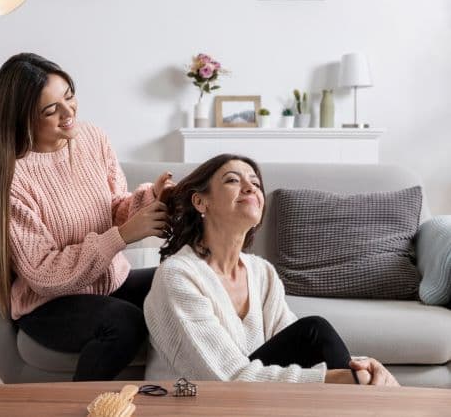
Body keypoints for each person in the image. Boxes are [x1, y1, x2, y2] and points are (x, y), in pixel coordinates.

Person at [0, 53, 172, 381]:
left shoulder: (92, 139)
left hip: (109, 282)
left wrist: (151, 197)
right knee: (123, 323)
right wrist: (123, 236)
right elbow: (43, 274)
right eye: (51, 109)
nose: (69, 113)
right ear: (22, 116)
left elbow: (114, 207)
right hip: (48, 304)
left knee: (183, 279)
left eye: (69, 96)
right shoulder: (14, 179)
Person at [144, 154, 399, 386]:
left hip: (251, 399)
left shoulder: (261, 272)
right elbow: (225, 378)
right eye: (233, 180)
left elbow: (299, 346)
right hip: (198, 404)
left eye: (255, 183)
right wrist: (338, 379)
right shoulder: (178, 275)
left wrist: (363, 367)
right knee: (316, 331)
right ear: (200, 202)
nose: (250, 188)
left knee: (318, 337)